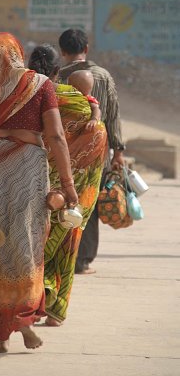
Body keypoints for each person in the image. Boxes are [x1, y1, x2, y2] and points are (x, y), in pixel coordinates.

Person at [0, 33, 78, 353]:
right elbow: (57, 137)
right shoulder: (39, 85)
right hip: (26, 169)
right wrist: (69, 186)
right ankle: (24, 322)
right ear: (19, 55)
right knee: (25, 245)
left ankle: (2, 335)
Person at [28, 44, 108, 326]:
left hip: (34, 184)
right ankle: (55, 311)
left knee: (33, 245)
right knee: (67, 245)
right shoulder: (84, 107)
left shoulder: (28, 97)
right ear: (57, 71)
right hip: (75, 190)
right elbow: (94, 143)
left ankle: (32, 303)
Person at [58, 29, 126, 274]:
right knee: (89, 204)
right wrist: (118, 152)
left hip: (63, 154)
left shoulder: (58, 77)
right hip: (98, 153)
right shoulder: (104, 76)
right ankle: (82, 260)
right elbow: (114, 115)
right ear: (86, 48)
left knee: (62, 202)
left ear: (62, 51)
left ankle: (59, 255)